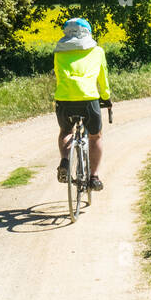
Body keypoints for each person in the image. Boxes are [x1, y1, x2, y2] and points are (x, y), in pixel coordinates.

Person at [53, 17, 112, 190]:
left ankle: (65, 161)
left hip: (64, 98)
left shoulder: (58, 51)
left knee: (65, 130)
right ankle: (94, 177)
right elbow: (103, 77)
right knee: (95, 137)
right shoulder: (97, 51)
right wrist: (106, 96)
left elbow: (58, 75)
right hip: (88, 98)